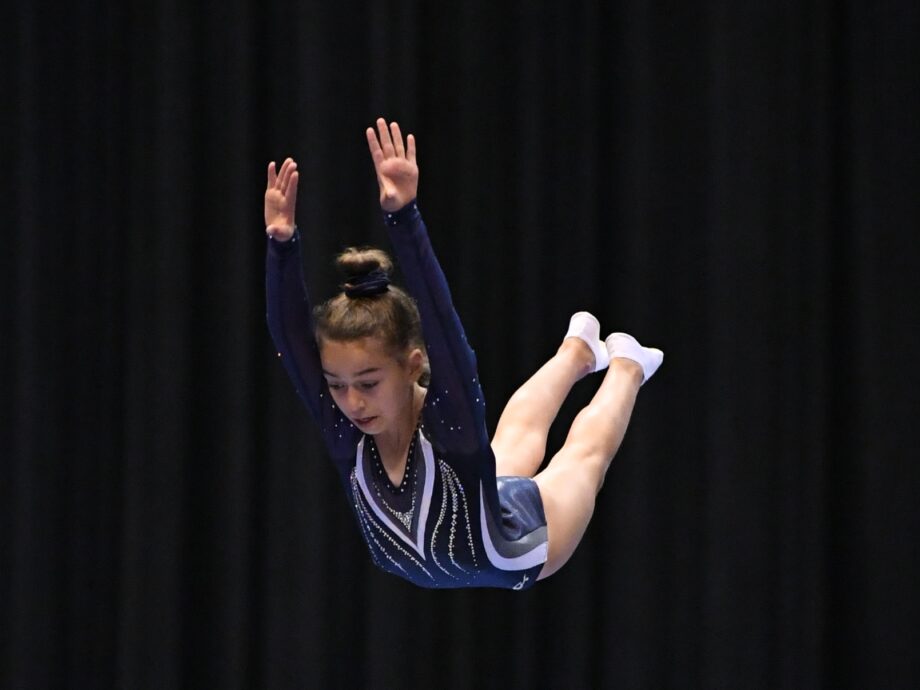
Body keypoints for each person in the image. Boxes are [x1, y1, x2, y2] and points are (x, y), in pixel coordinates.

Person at [264, 118, 663, 590]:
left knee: (580, 459)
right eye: (337, 386)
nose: (351, 402)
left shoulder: (445, 418)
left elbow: (441, 321)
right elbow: (291, 341)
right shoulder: (343, 429)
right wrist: (282, 244)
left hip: (520, 549)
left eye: (368, 383)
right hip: (478, 505)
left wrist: (404, 219)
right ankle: (575, 352)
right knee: (509, 447)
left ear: (413, 364)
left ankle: (626, 363)